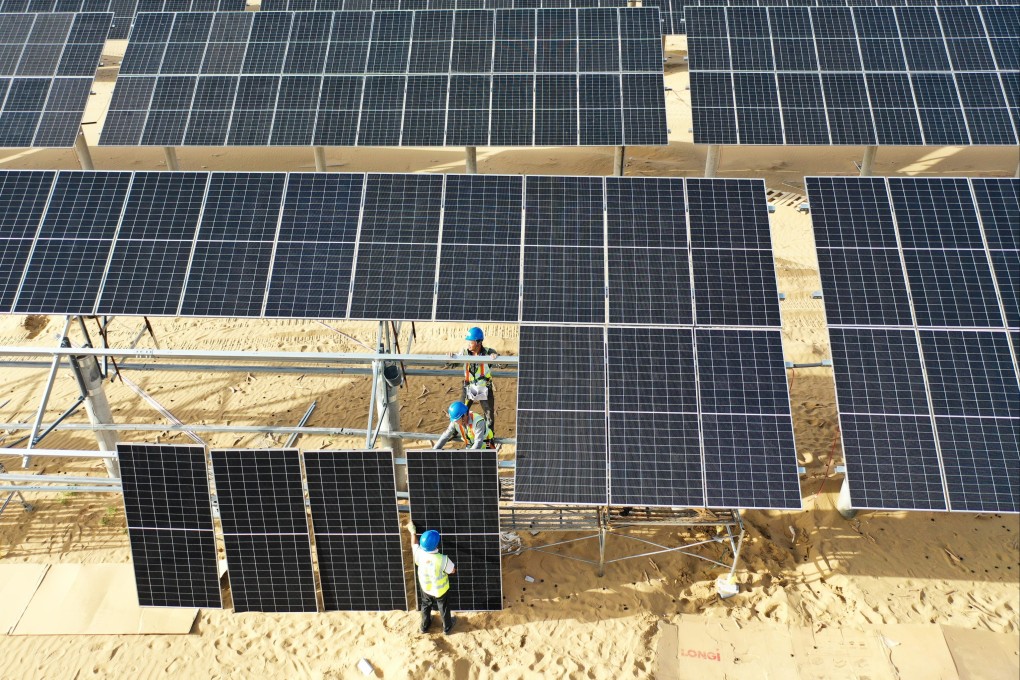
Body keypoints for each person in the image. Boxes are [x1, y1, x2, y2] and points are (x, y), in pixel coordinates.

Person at [408, 522, 456, 634]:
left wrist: (413, 533)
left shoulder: (418, 553)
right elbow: (452, 570)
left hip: (425, 588)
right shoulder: (442, 559)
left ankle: (424, 626)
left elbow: (414, 544)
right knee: (443, 607)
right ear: (436, 545)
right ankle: (447, 627)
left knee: (425, 605)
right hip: (440, 590)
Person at [459, 327, 498, 433]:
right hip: (469, 387)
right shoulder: (464, 353)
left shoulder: (489, 352)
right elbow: (451, 363)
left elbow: (503, 364)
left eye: (470, 342)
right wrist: (450, 358)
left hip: (483, 387)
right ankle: (457, 432)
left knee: (489, 416)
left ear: (478, 342)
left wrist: (496, 357)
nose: (468, 344)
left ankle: (489, 438)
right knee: (460, 412)